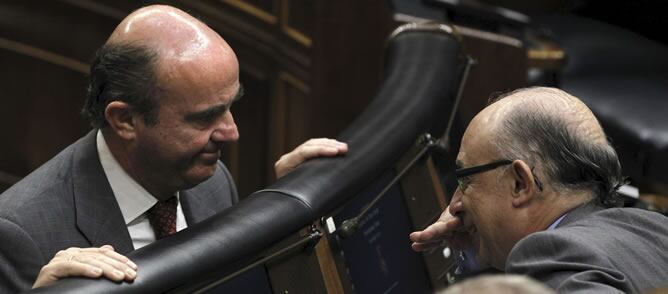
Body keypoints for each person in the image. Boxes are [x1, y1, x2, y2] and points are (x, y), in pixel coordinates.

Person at [0, 5, 347, 292]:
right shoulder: (22, 235)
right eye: (205, 118)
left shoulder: (211, 180)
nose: (231, 132)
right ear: (124, 120)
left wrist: (281, 210)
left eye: (230, 106)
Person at [410, 87, 668, 293]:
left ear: (520, 184)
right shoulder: (654, 226)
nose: (455, 204)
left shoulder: (547, 256)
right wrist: (469, 253)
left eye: (465, 180)